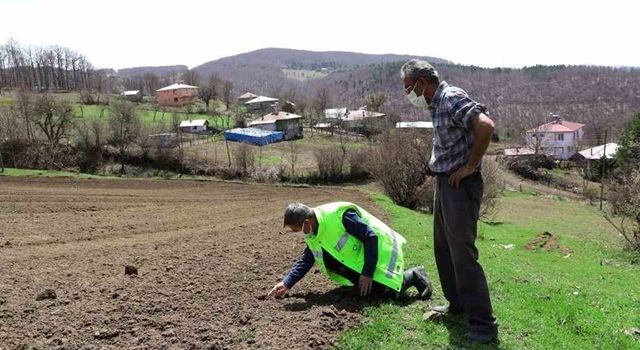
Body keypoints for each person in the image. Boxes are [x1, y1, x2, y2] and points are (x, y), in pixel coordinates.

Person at [401, 59, 498, 343]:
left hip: (461, 186)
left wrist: (469, 166)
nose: (408, 93)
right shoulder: (435, 104)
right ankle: (457, 306)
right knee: (443, 249)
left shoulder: (450, 97)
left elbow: (485, 125)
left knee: (463, 256)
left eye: (409, 88)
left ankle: (483, 325)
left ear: (422, 82)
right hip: (445, 183)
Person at [268, 202, 432, 300]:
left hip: (378, 250)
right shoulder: (313, 231)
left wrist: (367, 273)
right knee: (366, 294)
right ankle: (367, 283)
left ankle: (415, 275)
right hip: (356, 260)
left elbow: (371, 237)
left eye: (297, 229)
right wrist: (287, 283)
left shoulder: (340, 215)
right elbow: (307, 259)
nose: (299, 234)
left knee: (385, 293)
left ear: (307, 221)